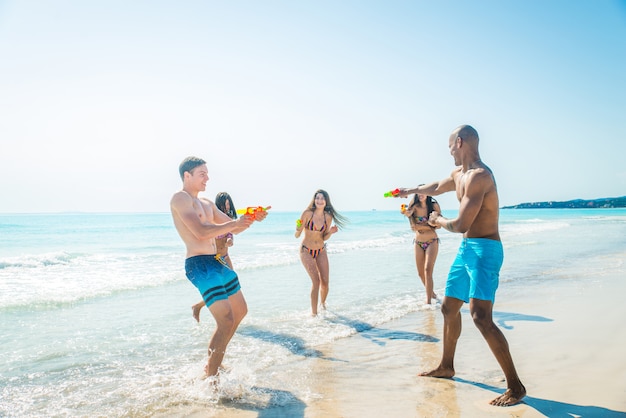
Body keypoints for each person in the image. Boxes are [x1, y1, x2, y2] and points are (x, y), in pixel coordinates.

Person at [397, 125, 526, 407]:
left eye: (450, 147)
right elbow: (435, 187)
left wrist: (437, 221)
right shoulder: (459, 174)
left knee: (480, 317)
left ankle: (516, 387)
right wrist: (409, 190)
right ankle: (447, 366)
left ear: (459, 142)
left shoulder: (480, 176)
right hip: (466, 249)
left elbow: (460, 224)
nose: (450, 153)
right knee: (449, 307)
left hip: (485, 250)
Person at [170, 156, 267, 379]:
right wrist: (234, 223)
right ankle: (210, 379)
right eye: (202, 174)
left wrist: (249, 219)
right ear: (187, 175)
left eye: (207, 173)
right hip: (199, 264)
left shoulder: (207, 203)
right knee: (225, 319)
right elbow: (201, 232)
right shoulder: (180, 199)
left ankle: (215, 361)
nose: (207, 178)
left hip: (217, 261)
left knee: (240, 311)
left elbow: (232, 229)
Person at [295, 189, 347, 316]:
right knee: (316, 281)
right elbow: (297, 235)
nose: (319, 201)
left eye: (322, 198)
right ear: (314, 200)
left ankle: (323, 305)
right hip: (306, 250)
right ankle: (314, 314)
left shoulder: (328, 217)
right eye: (317, 198)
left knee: (325, 282)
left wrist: (331, 232)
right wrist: (298, 228)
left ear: (326, 201)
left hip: (321, 250)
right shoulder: (307, 213)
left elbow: (324, 237)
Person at [192, 192, 238, 323]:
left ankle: (230, 316)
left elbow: (230, 234)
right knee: (220, 289)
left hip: (226, 257)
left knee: (231, 287)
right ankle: (199, 307)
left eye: (229, 205)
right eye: (225, 205)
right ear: (219, 204)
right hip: (215, 259)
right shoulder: (213, 219)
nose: (227, 207)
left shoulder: (229, 219)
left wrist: (230, 239)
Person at [403, 190, 441, 305]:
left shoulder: (434, 206)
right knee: (420, 273)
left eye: (423, 192)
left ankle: (428, 302)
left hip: (432, 241)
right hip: (418, 242)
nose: (421, 194)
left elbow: (438, 226)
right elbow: (412, 225)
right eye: (418, 192)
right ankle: (432, 293)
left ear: (428, 193)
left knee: (427, 271)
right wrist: (407, 214)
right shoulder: (414, 206)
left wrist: (422, 226)